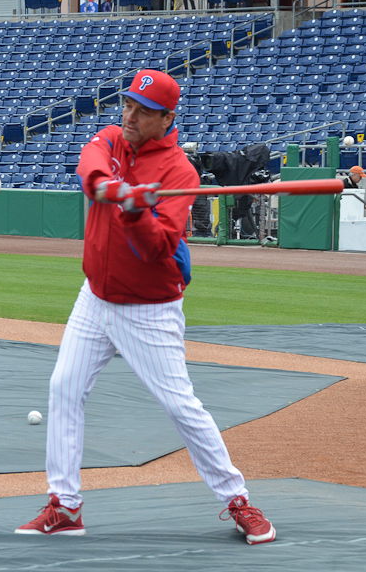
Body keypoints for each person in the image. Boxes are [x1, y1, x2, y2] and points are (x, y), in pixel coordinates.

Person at [15, 70, 276, 545]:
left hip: (148, 309)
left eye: (142, 110)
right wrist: (109, 187)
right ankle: (66, 505)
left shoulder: (180, 173)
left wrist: (136, 213)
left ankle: (238, 499)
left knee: (180, 406)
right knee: (64, 389)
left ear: (167, 118)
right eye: (128, 105)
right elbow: (89, 160)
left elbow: (159, 249)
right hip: (94, 297)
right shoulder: (114, 139)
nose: (130, 116)